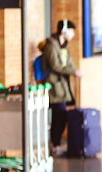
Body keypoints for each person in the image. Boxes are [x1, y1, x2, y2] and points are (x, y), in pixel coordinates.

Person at [41, 20, 83, 156]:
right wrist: (72, 72)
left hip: (62, 85)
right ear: (64, 31)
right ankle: (55, 145)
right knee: (59, 115)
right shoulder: (52, 46)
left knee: (60, 116)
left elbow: (68, 62)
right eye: (71, 31)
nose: (73, 34)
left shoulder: (63, 46)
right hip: (54, 86)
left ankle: (56, 144)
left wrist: (76, 70)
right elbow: (55, 65)